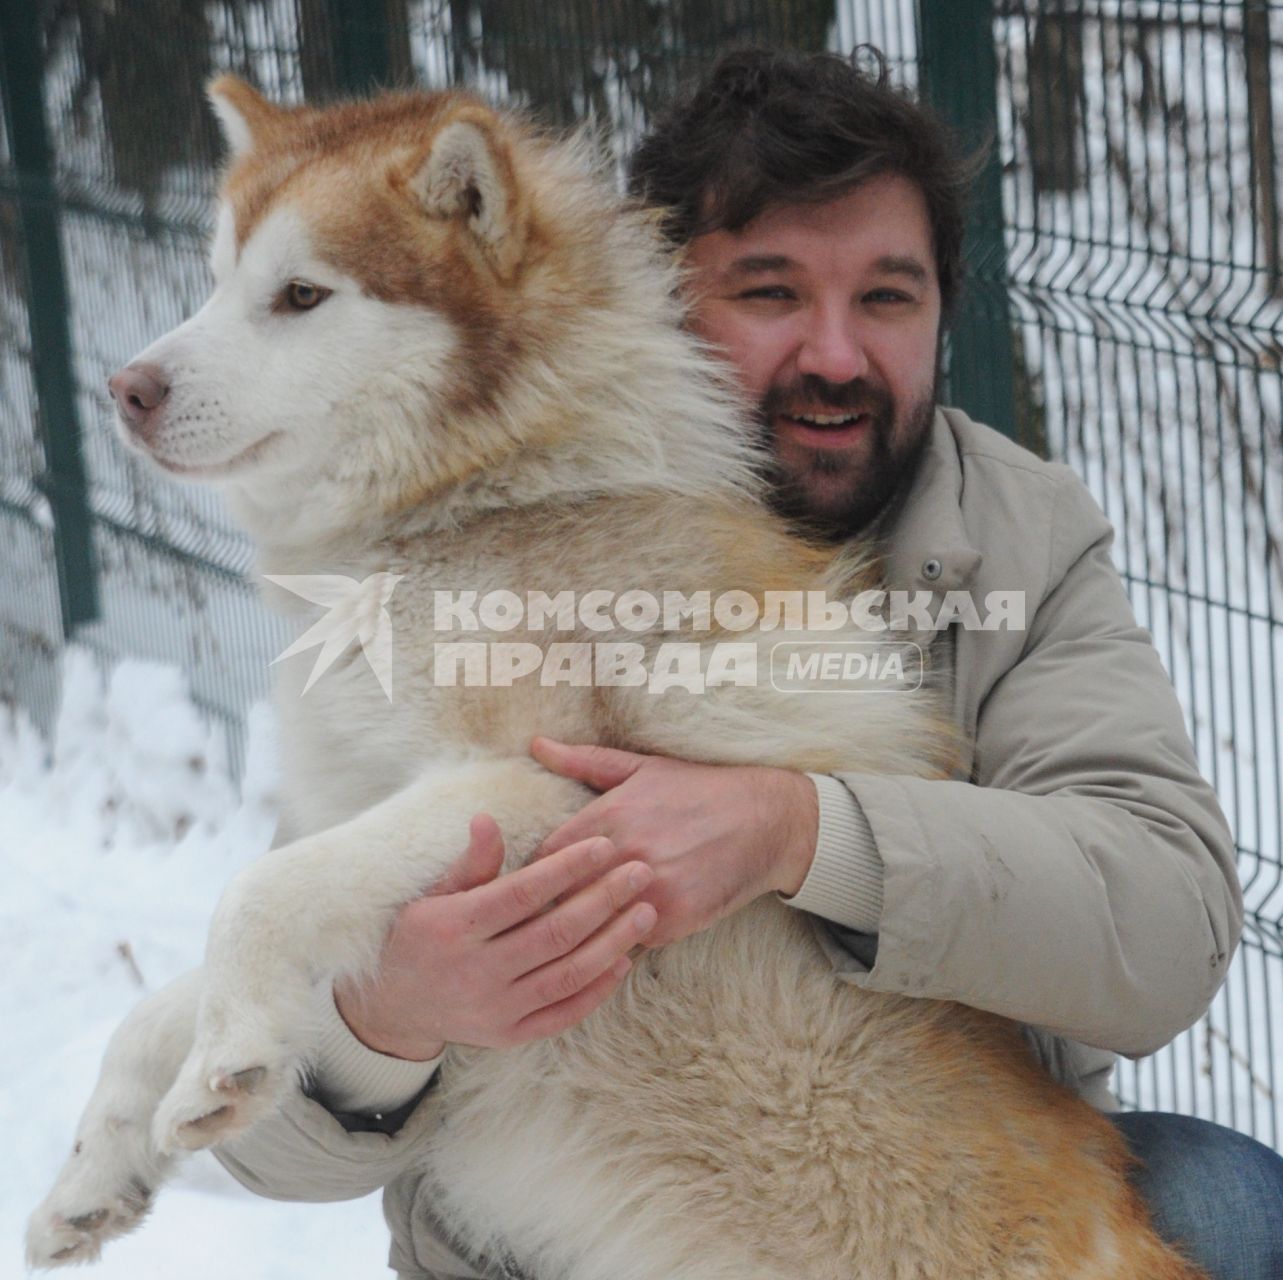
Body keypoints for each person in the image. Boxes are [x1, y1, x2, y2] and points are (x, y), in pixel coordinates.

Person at [217, 48, 1283, 1279]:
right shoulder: (471, 519)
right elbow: (261, 1138)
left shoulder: (1014, 532)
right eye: (770, 292)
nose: (834, 354)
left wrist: (798, 831)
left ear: (945, 306)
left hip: (904, 1208)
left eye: (888, 296)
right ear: (658, 292)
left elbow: (1163, 919)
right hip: (558, 1247)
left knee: (1225, 1205)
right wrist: (383, 1018)